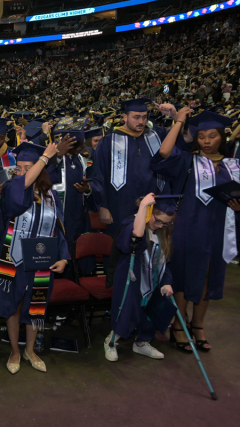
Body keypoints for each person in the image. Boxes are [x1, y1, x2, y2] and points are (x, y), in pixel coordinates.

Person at [151, 109, 240, 353]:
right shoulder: (188, 160)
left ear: (222, 137)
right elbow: (163, 154)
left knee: (208, 278)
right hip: (189, 227)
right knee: (183, 275)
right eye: (202, 136)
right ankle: (178, 325)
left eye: (212, 136)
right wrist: (179, 122)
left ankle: (197, 325)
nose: (207, 141)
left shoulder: (234, 166)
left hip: (220, 230)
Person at [0, 142, 69, 374]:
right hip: (13, 259)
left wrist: (63, 257)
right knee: (13, 306)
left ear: (40, 169)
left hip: (41, 262)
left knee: (35, 307)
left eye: (28, 167)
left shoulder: (52, 196)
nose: (22, 172)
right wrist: (43, 159)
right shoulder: (14, 188)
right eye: (20, 167)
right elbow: (17, 199)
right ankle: (15, 351)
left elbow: (59, 229)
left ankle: (30, 350)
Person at [104, 193, 177, 362]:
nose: (160, 226)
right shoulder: (131, 223)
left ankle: (142, 341)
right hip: (130, 280)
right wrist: (144, 206)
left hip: (153, 282)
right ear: (149, 213)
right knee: (126, 312)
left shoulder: (162, 234)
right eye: (157, 221)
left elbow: (164, 263)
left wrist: (167, 283)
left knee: (151, 313)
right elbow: (135, 236)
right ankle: (112, 341)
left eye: (166, 223)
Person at [91, 98, 178, 236]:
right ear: (125, 117)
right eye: (136, 117)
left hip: (154, 201)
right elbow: (99, 174)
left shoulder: (157, 135)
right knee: (122, 242)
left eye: (144, 117)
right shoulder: (109, 141)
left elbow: (184, 141)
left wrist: (176, 116)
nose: (141, 122)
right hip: (120, 203)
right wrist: (102, 206)